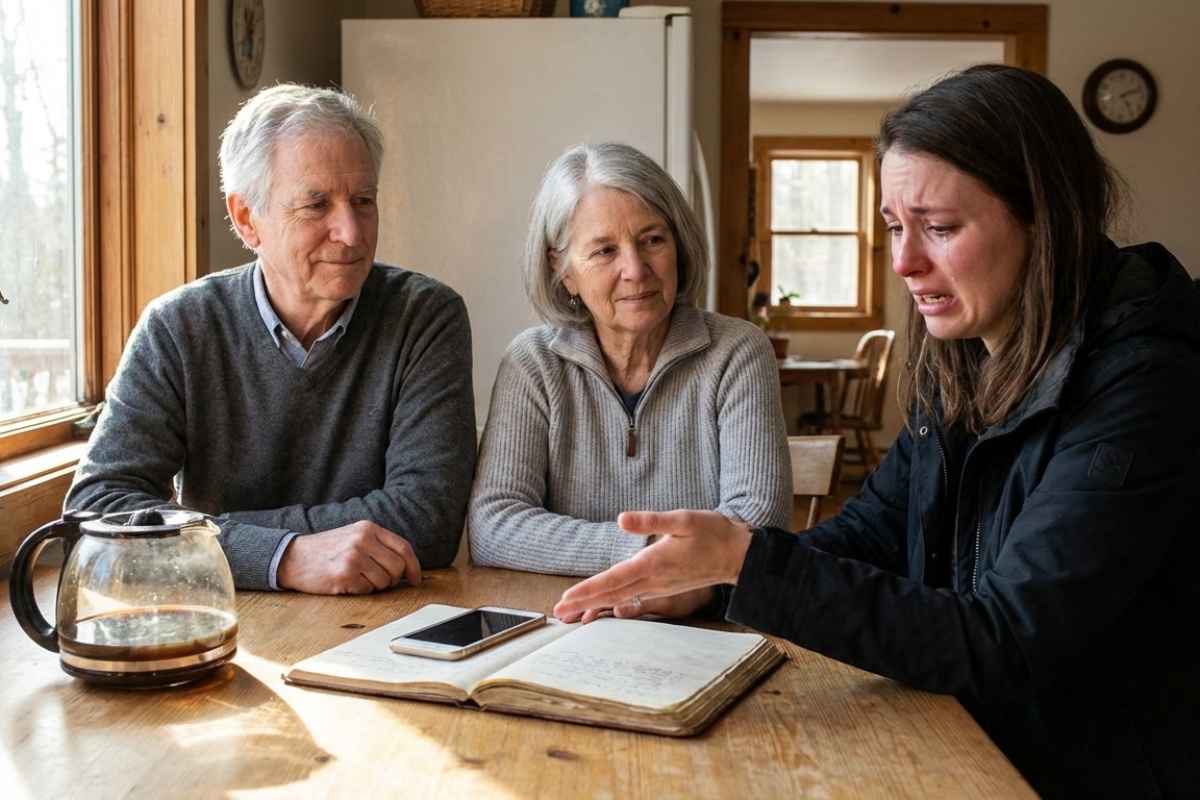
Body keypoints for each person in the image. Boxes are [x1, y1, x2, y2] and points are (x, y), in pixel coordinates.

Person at [554, 66, 1200, 799]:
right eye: (896, 227)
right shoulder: (965, 355)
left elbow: (1006, 643)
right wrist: (717, 582)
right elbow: (871, 534)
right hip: (967, 736)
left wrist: (748, 564)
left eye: (940, 228)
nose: (903, 262)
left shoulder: (1148, 382)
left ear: (1044, 218)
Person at [66, 84, 477, 595]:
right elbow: (95, 513)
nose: (351, 232)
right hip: (222, 618)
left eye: (363, 201)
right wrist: (283, 557)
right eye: (316, 205)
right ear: (246, 219)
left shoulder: (425, 316)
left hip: (383, 617)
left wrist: (208, 532)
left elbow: (428, 519)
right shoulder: (177, 328)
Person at [468, 141, 791, 589]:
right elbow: (494, 526)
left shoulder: (737, 352)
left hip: (703, 621)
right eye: (604, 250)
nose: (636, 270)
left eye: (652, 240)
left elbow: (757, 526)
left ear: (679, 244)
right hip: (564, 618)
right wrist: (647, 549)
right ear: (564, 271)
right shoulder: (533, 363)